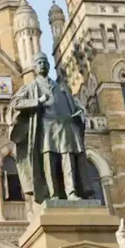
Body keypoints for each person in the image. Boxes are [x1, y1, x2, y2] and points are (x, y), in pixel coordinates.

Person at [8, 52, 93, 203]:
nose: (42, 65)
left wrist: (79, 114)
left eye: (44, 62)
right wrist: (36, 102)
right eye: (39, 62)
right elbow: (15, 104)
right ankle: (53, 194)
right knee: (49, 161)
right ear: (34, 67)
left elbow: (76, 106)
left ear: (48, 65)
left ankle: (71, 192)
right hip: (46, 129)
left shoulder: (61, 88)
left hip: (66, 128)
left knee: (69, 160)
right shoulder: (31, 87)